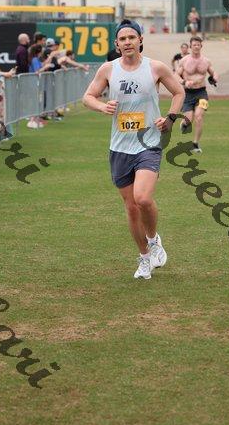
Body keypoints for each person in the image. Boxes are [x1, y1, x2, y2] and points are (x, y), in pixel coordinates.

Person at [83, 19, 184, 281]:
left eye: (132, 37)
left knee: (143, 198)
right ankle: (144, 257)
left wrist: (170, 118)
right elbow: (88, 97)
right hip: (119, 147)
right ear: (116, 44)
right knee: (131, 208)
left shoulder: (155, 67)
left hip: (148, 143)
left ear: (140, 40)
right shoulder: (108, 69)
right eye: (122, 39)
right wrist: (101, 106)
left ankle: (153, 239)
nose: (127, 42)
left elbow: (179, 92)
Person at [178, 36, 218, 154]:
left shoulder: (206, 61)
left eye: (198, 45)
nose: (196, 47)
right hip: (188, 93)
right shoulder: (184, 61)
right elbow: (175, 75)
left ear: (201, 46)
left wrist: (215, 78)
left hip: (202, 93)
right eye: (194, 45)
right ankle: (184, 123)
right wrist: (184, 82)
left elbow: (214, 73)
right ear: (190, 46)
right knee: (188, 119)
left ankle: (195, 144)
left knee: (199, 117)